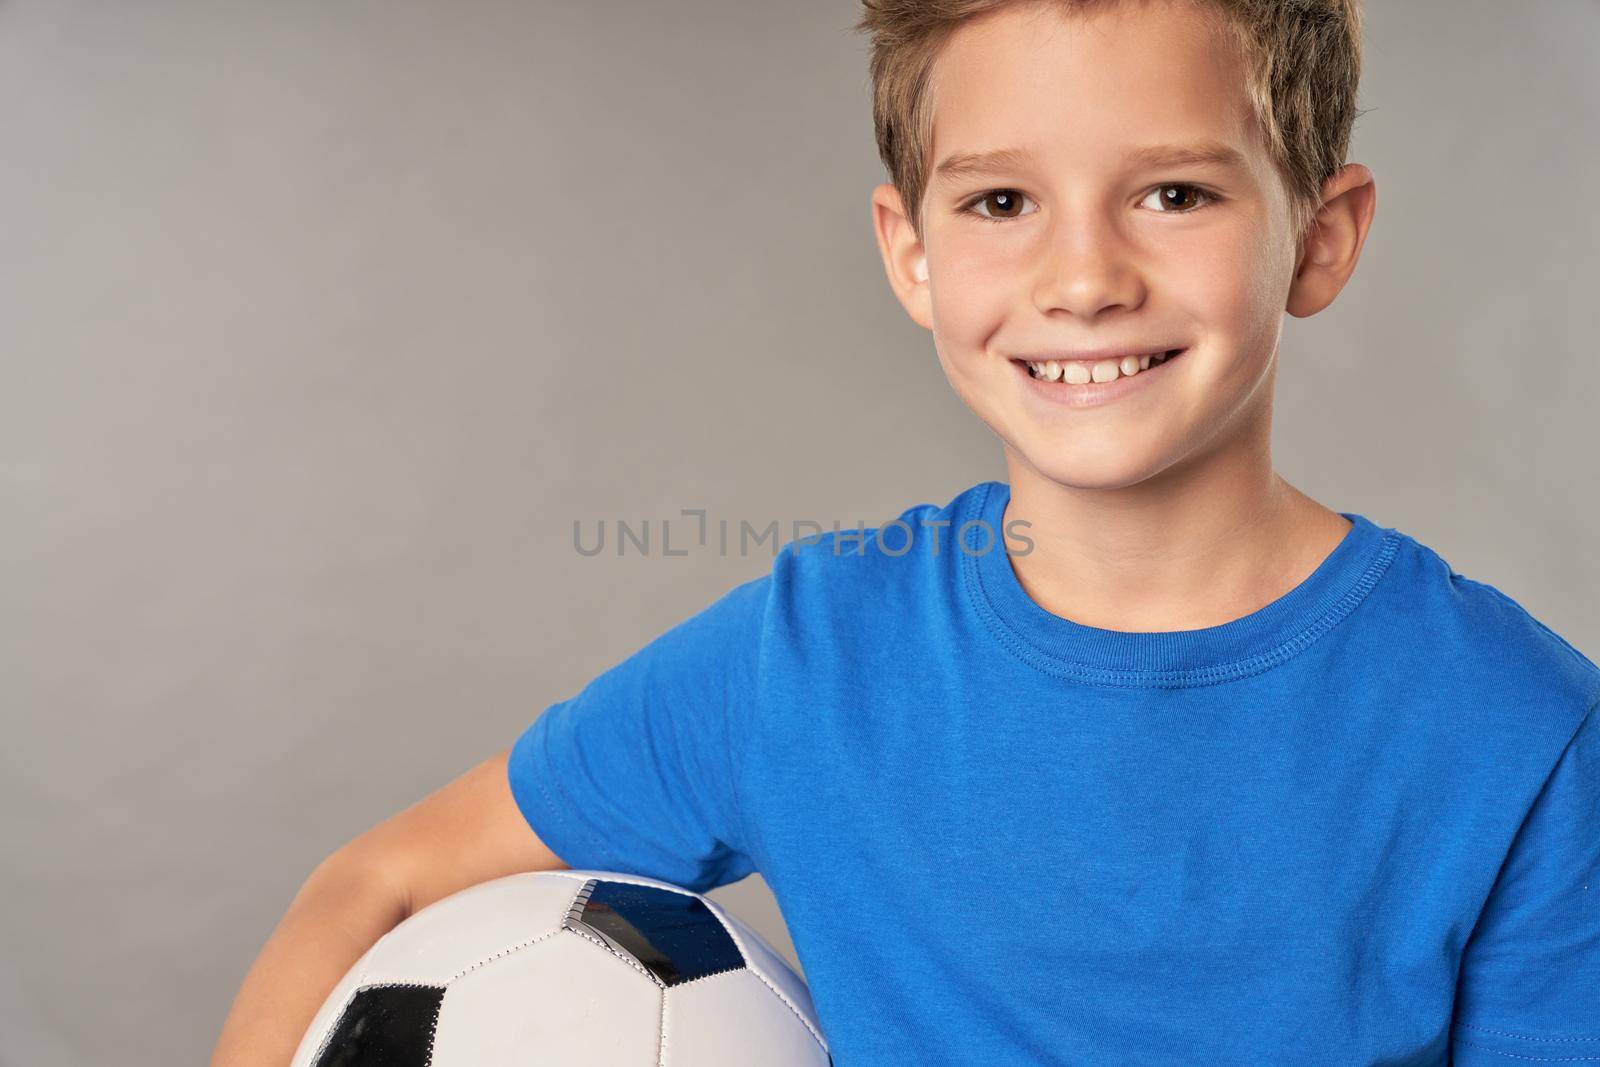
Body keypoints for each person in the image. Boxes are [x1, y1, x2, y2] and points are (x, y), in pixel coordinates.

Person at [211, 1, 1600, 1063]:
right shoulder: (814, 656)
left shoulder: (1519, 730)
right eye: (1002, 202)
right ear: (911, 254)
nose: (1083, 279)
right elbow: (378, 885)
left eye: (1175, 193)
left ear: (1321, 236)